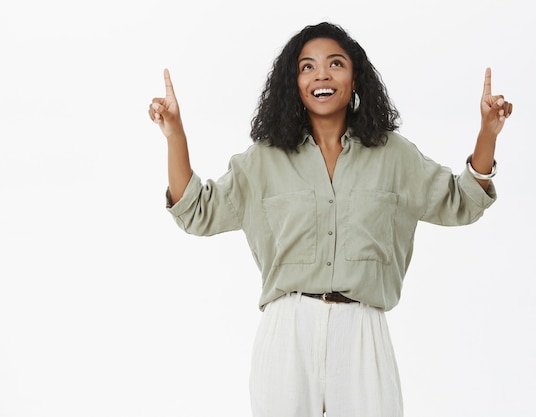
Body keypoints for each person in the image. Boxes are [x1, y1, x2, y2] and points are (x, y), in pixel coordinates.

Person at [148, 21, 512, 417]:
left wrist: (488, 133)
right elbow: (197, 211)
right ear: (295, 84)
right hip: (288, 331)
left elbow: (462, 200)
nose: (321, 74)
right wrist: (175, 135)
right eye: (307, 67)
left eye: (335, 63)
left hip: (363, 330)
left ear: (355, 78)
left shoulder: (393, 155)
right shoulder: (263, 160)